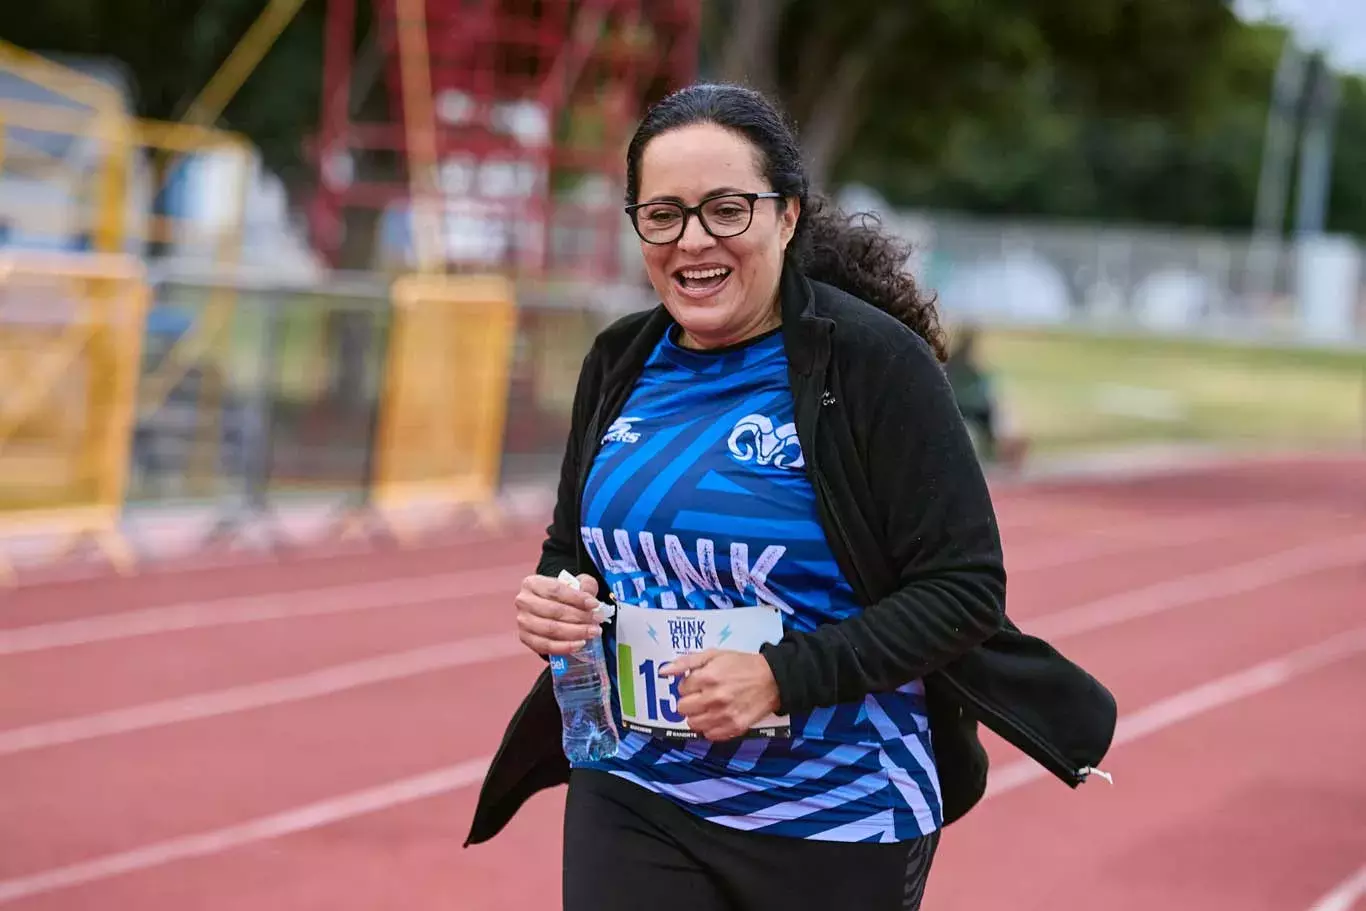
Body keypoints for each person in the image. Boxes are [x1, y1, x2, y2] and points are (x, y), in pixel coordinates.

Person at [464, 83, 1116, 910]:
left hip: (837, 815)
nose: (693, 240)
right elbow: (576, 550)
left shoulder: (873, 366)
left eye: (726, 209)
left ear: (787, 216)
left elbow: (964, 590)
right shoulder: (620, 360)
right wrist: (557, 600)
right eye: (662, 214)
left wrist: (781, 677)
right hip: (637, 787)